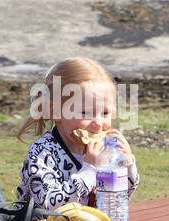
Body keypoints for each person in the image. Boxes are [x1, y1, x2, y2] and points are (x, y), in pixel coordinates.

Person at [17, 57, 139, 210]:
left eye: (105, 113)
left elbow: (117, 201)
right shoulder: (42, 152)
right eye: (86, 113)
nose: (98, 123)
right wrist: (89, 169)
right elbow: (48, 204)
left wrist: (126, 165)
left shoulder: (104, 151)